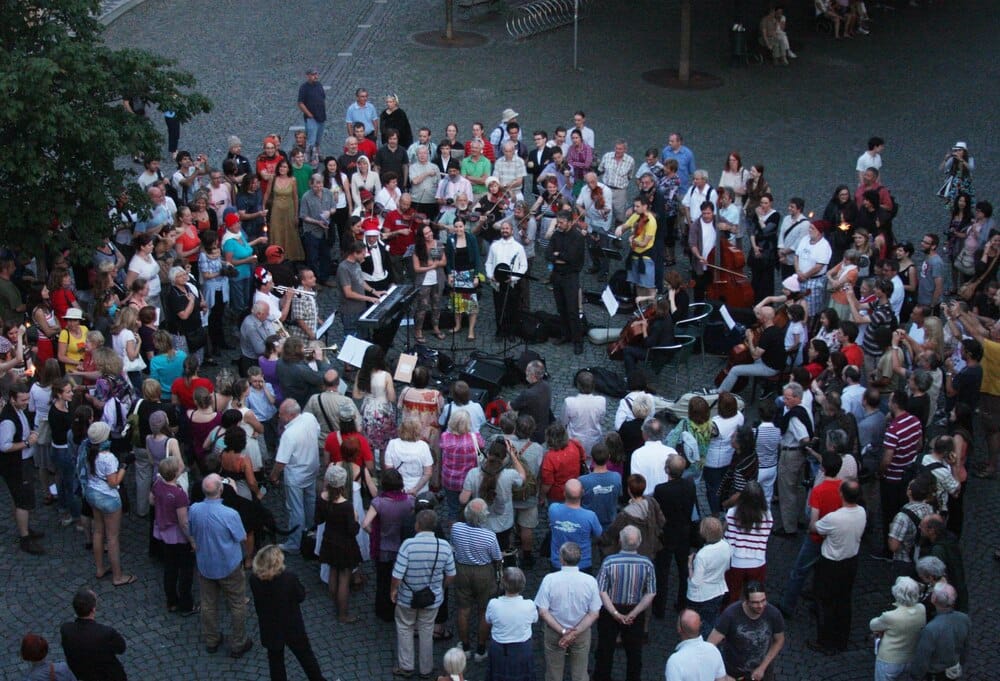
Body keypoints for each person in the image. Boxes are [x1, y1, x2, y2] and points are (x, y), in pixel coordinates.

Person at [391, 509, 457, 679]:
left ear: (417, 525)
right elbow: (451, 574)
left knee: (405, 628)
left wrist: (393, 590)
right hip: (432, 598)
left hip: (407, 598)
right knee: (427, 630)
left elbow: (397, 574)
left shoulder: (408, 545)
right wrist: (441, 587)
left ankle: (406, 666)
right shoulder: (444, 546)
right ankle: (426, 669)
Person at [776, 451, 842, 618]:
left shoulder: (819, 491)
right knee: (824, 575)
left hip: (816, 537)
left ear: (823, 468)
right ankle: (818, 605)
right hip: (834, 538)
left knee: (799, 571)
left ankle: (787, 605)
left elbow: (812, 518)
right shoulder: (843, 488)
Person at [250, 545, 328, 681]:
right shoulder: (288, 578)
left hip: (269, 626)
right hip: (292, 625)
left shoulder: (254, 579)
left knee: (275, 662)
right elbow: (300, 596)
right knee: (305, 656)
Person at [809, 479, 867, 654]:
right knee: (843, 601)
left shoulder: (834, 518)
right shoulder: (862, 512)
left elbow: (814, 527)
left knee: (825, 602)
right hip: (850, 562)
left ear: (841, 494)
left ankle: (825, 641)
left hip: (831, 564)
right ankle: (841, 639)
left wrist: (813, 515)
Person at [593, 525, 657, 681]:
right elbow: (651, 592)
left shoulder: (609, 562)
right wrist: (634, 613)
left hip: (610, 610)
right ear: (639, 542)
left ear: (620, 541)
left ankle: (602, 677)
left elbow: (601, 590)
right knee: (634, 652)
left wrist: (615, 613)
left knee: (605, 650)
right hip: (635, 610)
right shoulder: (646, 564)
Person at [535, 542, 602, 681]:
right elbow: (594, 613)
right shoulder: (590, 581)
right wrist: (575, 633)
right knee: (580, 674)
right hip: (581, 632)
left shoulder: (549, 580)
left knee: (554, 673)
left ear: (561, 559)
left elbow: (543, 611)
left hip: (554, 631)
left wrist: (564, 632)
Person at [81, 422, 134, 585]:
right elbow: (114, 482)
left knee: (98, 531)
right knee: (112, 538)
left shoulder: (87, 450)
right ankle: (118, 576)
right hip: (108, 498)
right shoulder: (108, 457)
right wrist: (124, 466)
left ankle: (100, 568)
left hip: (92, 493)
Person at [450, 498, 502, 661]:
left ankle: (465, 646)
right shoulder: (489, 536)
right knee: (484, 610)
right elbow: (497, 558)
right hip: (483, 572)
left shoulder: (456, 528)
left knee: (463, 609)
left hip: (462, 570)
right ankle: (480, 648)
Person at [362, 468, 414, 622]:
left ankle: (383, 611)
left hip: (383, 548)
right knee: (401, 580)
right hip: (402, 548)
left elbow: (365, 523)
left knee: (383, 580)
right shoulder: (409, 501)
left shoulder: (378, 502)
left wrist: (374, 533)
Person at [269, 399, 321, 553]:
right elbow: (317, 433)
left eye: (281, 414)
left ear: (289, 415)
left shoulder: (289, 434)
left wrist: (274, 476)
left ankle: (294, 543)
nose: (279, 417)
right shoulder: (309, 418)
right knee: (310, 502)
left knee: (295, 509)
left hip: (296, 475)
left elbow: (281, 462)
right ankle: (310, 531)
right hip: (311, 468)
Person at [0, 381, 45, 554]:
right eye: (23, 400)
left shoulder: (17, 411)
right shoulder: (8, 421)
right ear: (12, 399)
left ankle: (24, 528)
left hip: (22, 461)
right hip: (17, 464)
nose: (26, 403)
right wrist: (27, 442)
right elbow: (4, 446)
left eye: (27, 399)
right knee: (23, 500)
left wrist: (29, 435)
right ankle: (24, 537)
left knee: (20, 498)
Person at [708, 582, 785, 681]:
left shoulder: (774, 614)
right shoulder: (730, 615)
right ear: (746, 601)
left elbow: (779, 640)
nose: (761, 606)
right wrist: (722, 675)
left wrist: (762, 667)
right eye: (755, 602)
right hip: (733, 672)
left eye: (763, 600)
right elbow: (710, 645)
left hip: (763, 672)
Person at [316, 463, 362, 623]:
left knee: (332, 572)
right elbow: (353, 530)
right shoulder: (346, 506)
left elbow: (318, 520)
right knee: (344, 578)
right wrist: (356, 519)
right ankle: (343, 614)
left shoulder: (322, 498)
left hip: (329, 540)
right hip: (345, 544)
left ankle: (335, 603)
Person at [150, 456, 196, 615]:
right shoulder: (179, 494)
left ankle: (171, 602)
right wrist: (192, 540)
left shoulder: (157, 484)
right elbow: (183, 522)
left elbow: (151, 501)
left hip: (163, 533)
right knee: (185, 571)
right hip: (178, 536)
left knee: (170, 569)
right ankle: (186, 605)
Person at [906, 583, 970, 681]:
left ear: (933, 599)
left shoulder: (930, 629)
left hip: (936, 675)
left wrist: (915, 676)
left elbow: (922, 659)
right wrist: (961, 662)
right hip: (954, 667)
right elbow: (966, 645)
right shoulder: (964, 618)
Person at [60, 589, 127, 681]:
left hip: (83, 675)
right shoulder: (106, 633)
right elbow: (121, 648)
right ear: (93, 609)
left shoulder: (66, 629)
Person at [484, 566, 537, 681]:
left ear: (503, 584)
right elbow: (534, 619)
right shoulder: (529, 605)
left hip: (499, 649)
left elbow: (488, 620)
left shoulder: (493, 604)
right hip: (523, 649)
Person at [717, 306, 786, 393]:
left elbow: (755, 356)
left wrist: (750, 338)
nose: (757, 316)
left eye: (759, 315)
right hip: (771, 361)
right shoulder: (777, 329)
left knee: (735, 370)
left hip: (769, 368)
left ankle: (720, 393)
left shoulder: (767, 335)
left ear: (764, 319)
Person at [869, 576, 925, 681]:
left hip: (889, 659)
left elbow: (873, 624)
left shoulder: (890, 616)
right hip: (910, 657)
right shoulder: (922, 609)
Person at [546, 210, 586, 354]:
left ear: (570, 222)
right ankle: (565, 334)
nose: (559, 225)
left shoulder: (577, 237)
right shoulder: (556, 235)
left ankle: (578, 340)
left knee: (572, 310)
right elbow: (548, 254)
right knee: (561, 308)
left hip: (571, 277)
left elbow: (572, 258)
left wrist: (558, 255)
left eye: (562, 222)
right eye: (558, 222)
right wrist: (558, 257)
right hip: (557, 276)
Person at [484, 217, 527, 339]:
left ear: (512, 230)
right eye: (503, 228)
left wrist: (513, 277)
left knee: (513, 307)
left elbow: (523, 266)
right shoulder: (494, 246)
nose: (504, 230)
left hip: (512, 283)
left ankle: (511, 332)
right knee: (499, 307)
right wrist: (490, 275)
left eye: (507, 228)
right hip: (497, 282)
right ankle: (500, 330)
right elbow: (489, 263)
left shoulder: (518, 247)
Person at [548, 479, 602, 571]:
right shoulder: (590, 516)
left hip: (558, 562)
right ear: (583, 493)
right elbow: (598, 534)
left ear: (564, 493)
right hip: (583, 563)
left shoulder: (553, 509)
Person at [664, 610, 727, 681]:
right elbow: (721, 679)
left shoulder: (674, 661)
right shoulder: (713, 650)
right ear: (700, 624)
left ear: (679, 629)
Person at [579, 442, 622, 529]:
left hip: (589, 524)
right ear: (609, 457)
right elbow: (619, 495)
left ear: (592, 458)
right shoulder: (616, 477)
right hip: (610, 524)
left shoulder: (582, 480)